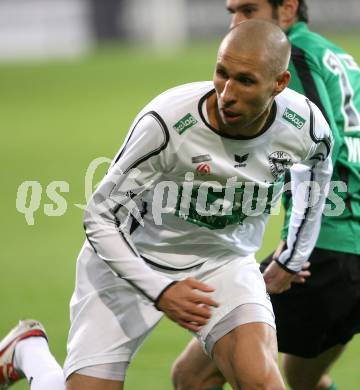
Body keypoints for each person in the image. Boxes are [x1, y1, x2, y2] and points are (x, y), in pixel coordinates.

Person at [0, 20, 332, 390]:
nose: (227, 93)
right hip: (130, 259)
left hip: (222, 262)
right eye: (221, 74)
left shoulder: (304, 125)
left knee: (261, 381)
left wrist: (294, 256)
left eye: (245, 80)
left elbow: (317, 175)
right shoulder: (169, 122)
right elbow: (99, 215)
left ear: (280, 83)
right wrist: (160, 290)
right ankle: (28, 352)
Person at [171, 1, 360, 390]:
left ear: (287, 9)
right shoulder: (338, 56)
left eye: (248, 9)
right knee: (303, 377)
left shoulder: (295, 57)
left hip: (327, 248)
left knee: (193, 376)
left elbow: (318, 146)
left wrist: (293, 254)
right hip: (348, 253)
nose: (235, 23)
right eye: (231, 11)